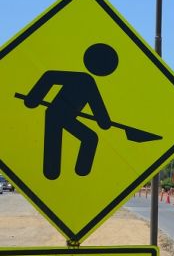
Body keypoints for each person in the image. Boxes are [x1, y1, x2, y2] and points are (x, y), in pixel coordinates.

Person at [23, 43, 118, 180]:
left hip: (66, 116)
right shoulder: (84, 79)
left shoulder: (88, 82)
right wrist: (34, 98)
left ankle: (80, 172)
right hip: (55, 113)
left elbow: (97, 107)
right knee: (57, 140)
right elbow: (49, 77)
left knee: (90, 138)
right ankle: (53, 173)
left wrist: (104, 121)